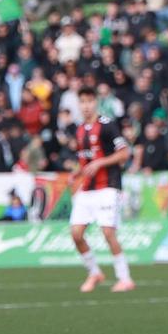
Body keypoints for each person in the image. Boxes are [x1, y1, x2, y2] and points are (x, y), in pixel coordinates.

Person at [69, 87, 134, 293]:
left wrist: (100, 163)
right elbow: (86, 160)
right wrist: (77, 173)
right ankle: (94, 272)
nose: (86, 106)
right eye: (82, 102)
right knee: (76, 234)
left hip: (108, 186)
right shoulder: (79, 129)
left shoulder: (108, 126)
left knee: (108, 232)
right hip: (87, 189)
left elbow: (124, 154)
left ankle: (125, 278)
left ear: (95, 102)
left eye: (89, 101)